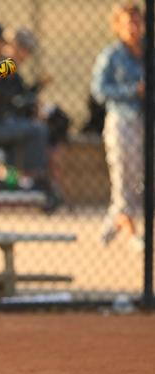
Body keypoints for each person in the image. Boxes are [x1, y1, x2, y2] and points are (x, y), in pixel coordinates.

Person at [0, 22, 58, 211]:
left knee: (43, 126)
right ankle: (30, 181)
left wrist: (27, 98)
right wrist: (18, 102)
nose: (1, 47)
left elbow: (10, 96)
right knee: (36, 130)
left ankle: (19, 182)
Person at [91, 2, 145, 250]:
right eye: (127, 23)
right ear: (118, 27)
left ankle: (116, 219)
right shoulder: (112, 55)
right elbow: (99, 91)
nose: (133, 28)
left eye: (136, 22)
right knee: (124, 175)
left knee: (141, 178)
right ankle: (132, 231)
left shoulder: (148, 53)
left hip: (146, 121)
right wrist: (132, 90)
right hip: (122, 120)